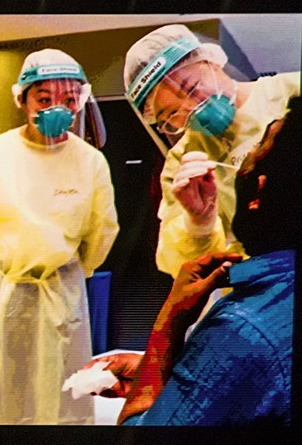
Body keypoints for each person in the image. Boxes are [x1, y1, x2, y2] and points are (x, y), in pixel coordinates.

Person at [95, 99, 295, 426]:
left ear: (258, 190)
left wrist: (168, 324)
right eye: (167, 113)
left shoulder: (242, 327)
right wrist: (167, 366)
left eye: (259, 146)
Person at [0, 51, 119, 424]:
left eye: (68, 99)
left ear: (80, 100)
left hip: (60, 291)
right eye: (44, 99)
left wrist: (67, 270)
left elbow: (101, 233)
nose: (56, 108)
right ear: (23, 99)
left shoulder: (90, 162)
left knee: (60, 398)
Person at [122, 23, 301, 278]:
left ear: (212, 62)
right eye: (172, 113)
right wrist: (198, 225)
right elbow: (180, 265)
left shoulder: (292, 92)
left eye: (192, 88)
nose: (191, 108)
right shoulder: (183, 162)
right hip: (262, 287)